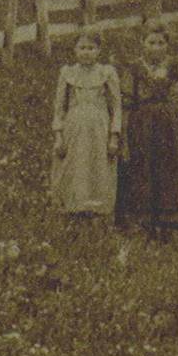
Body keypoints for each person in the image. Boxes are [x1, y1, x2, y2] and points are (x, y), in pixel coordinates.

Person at [117, 20, 178, 241]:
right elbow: (126, 105)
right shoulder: (133, 69)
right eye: (151, 42)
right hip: (141, 129)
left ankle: (168, 225)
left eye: (161, 42)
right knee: (143, 170)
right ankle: (146, 225)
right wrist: (124, 138)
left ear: (167, 44)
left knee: (169, 171)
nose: (156, 47)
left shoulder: (177, 65)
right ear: (142, 43)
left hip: (170, 130)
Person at [50, 29, 122, 217]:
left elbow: (116, 106)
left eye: (91, 48)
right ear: (74, 50)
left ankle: (97, 209)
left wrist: (114, 136)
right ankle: (73, 207)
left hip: (99, 127)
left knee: (97, 164)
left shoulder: (107, 73)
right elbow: (59, 108)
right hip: (74, 127)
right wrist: (58, 136)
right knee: (75, 164)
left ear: (99, 50)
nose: (86, 52)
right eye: (82, 47)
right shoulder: (67, 73)